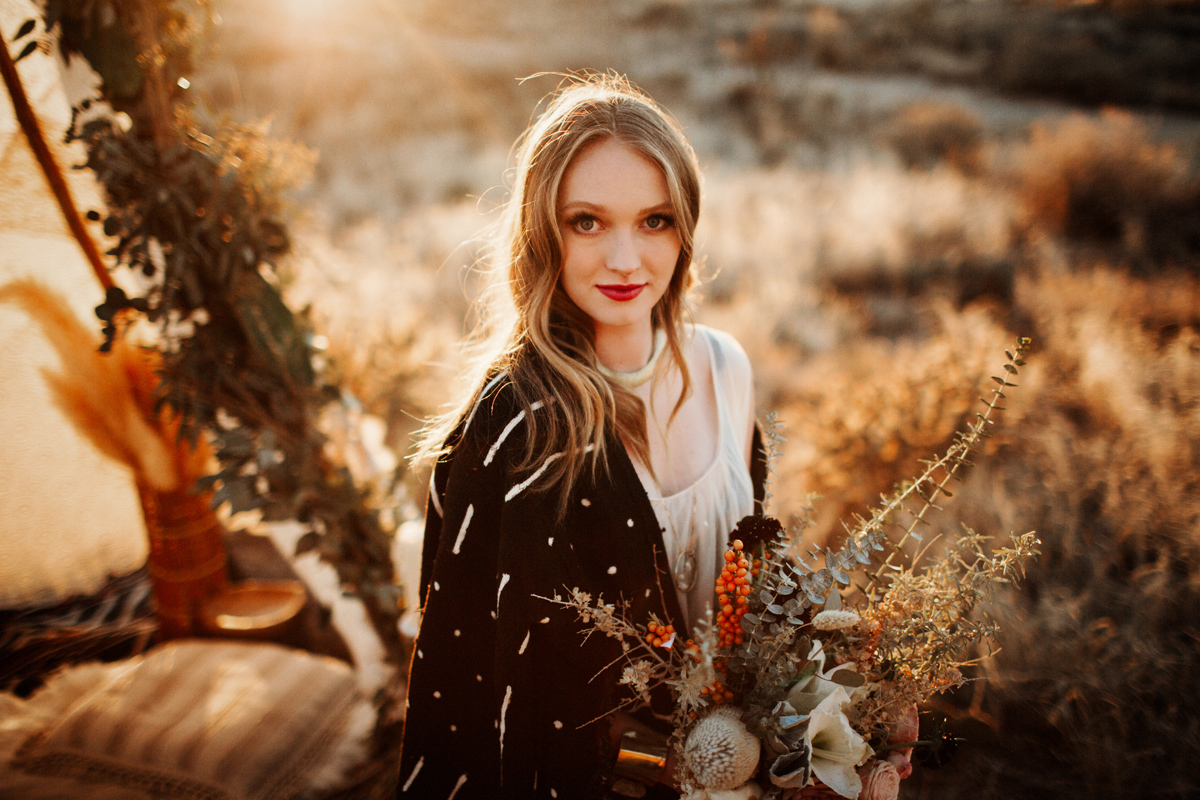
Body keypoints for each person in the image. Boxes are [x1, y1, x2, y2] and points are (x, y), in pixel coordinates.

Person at [398, 74, 767, 800]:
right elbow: (482, 683)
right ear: (544, 232)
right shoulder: (519, 428)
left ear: (685, 226)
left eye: (654, 220)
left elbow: (754, 587)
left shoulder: (727, 369)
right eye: (588, 222)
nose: (626, 260)